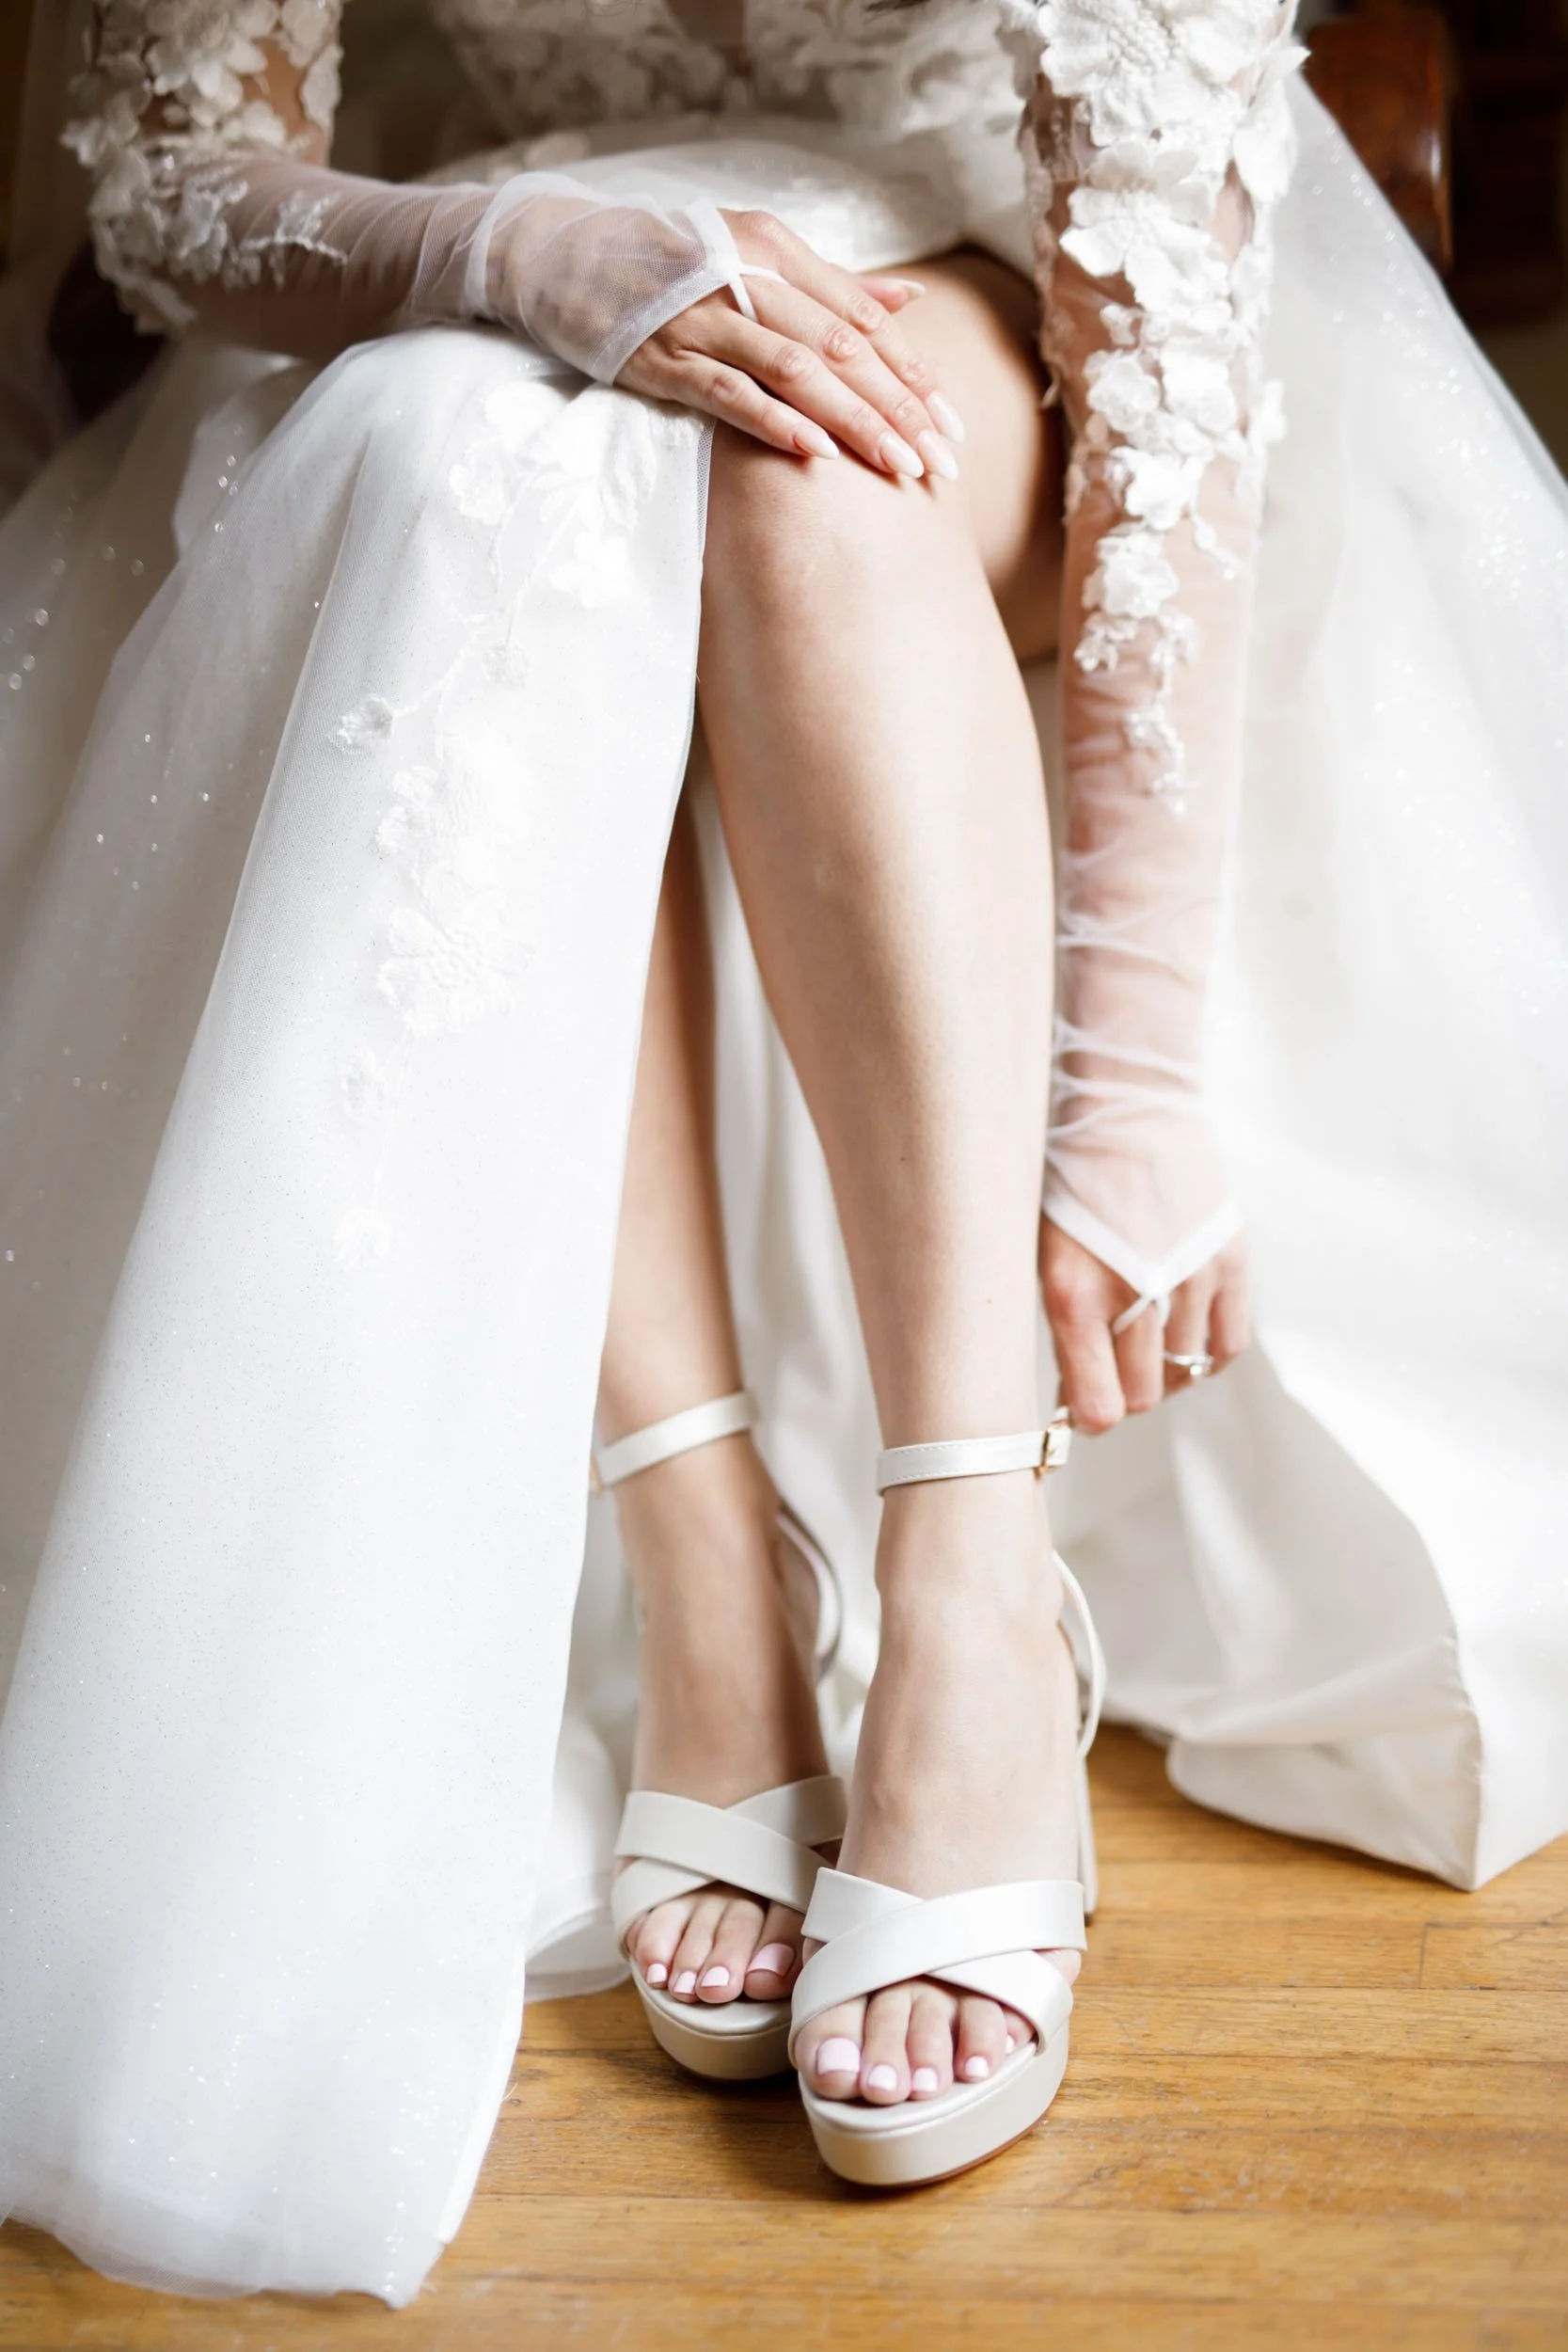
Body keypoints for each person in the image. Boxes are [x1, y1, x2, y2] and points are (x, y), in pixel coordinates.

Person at [0, 0, 1563, 2306]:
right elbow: (164, 176)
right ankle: (714, 1575)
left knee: (806, 469)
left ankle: (963, 1576)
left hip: (1012, 292)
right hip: (473, 294)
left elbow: (1150, 262)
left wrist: (1123, 1082)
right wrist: (506, 255)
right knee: (473, 454)